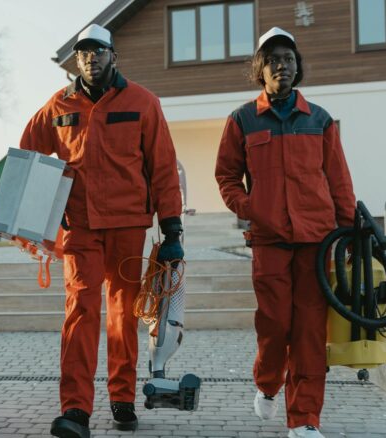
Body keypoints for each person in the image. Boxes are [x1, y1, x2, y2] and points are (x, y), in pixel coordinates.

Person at [20, 24, 184, 438]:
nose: (91, 58)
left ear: (114, 56)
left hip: (129, 226)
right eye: (84, 53)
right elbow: (29, 158)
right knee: (79, 314)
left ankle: (122, 397)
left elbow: (163, 168)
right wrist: (30, 221)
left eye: (99, 51)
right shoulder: (57, 106)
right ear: (76, 60)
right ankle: (75, 410)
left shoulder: (143, 103)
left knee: (123, 317)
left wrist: (173, 231)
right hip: (80, 229)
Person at [215, 27, 356, 438]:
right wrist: (251, 208)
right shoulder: (242, 119)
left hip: (316, 240)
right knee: (275, 325)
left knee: (310, 332)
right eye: (274, 59)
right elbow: (226, 177)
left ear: (298, 68)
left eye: (289, 59)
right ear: (260, 69)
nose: (283, 66)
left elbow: (339, 181)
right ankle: (267, 382)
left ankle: (305, 420)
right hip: (269, 241)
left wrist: (346, 233)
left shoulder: (320, 120)